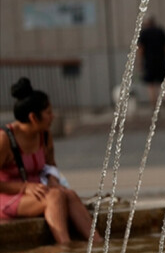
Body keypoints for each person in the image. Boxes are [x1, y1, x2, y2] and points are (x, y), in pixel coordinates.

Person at [0, 78, 101, 244]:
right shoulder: (4, 139)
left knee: (68, 194)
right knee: (54, 197)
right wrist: (25, 187)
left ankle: (98, 243)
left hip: (39, 192)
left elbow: (50, 165)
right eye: (48, 112)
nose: (52, 116)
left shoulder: (45, 134)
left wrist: (53, 179)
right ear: (33, 117)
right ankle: (64, 248)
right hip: (6, 197)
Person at [137, 16, 165, 112]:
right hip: (161, 61)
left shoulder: (144, 33)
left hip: (149, 62)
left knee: (151, 85)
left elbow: (141, 49)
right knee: (163, 83)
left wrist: (140, 62)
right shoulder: (160, 31)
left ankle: (154, 105)